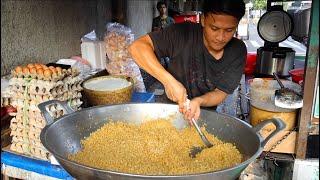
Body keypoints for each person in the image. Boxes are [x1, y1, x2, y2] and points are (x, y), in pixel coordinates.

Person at [129, 0, 246, 121]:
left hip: (205, 115)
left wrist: (199, 101)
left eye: (229, 30)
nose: (221, 37)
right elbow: (137, 47)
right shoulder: (182, 33)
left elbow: (221, 91)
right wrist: (168, 81)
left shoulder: (237, 50)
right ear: (203, 20)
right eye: (214, 28)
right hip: (169, 111)